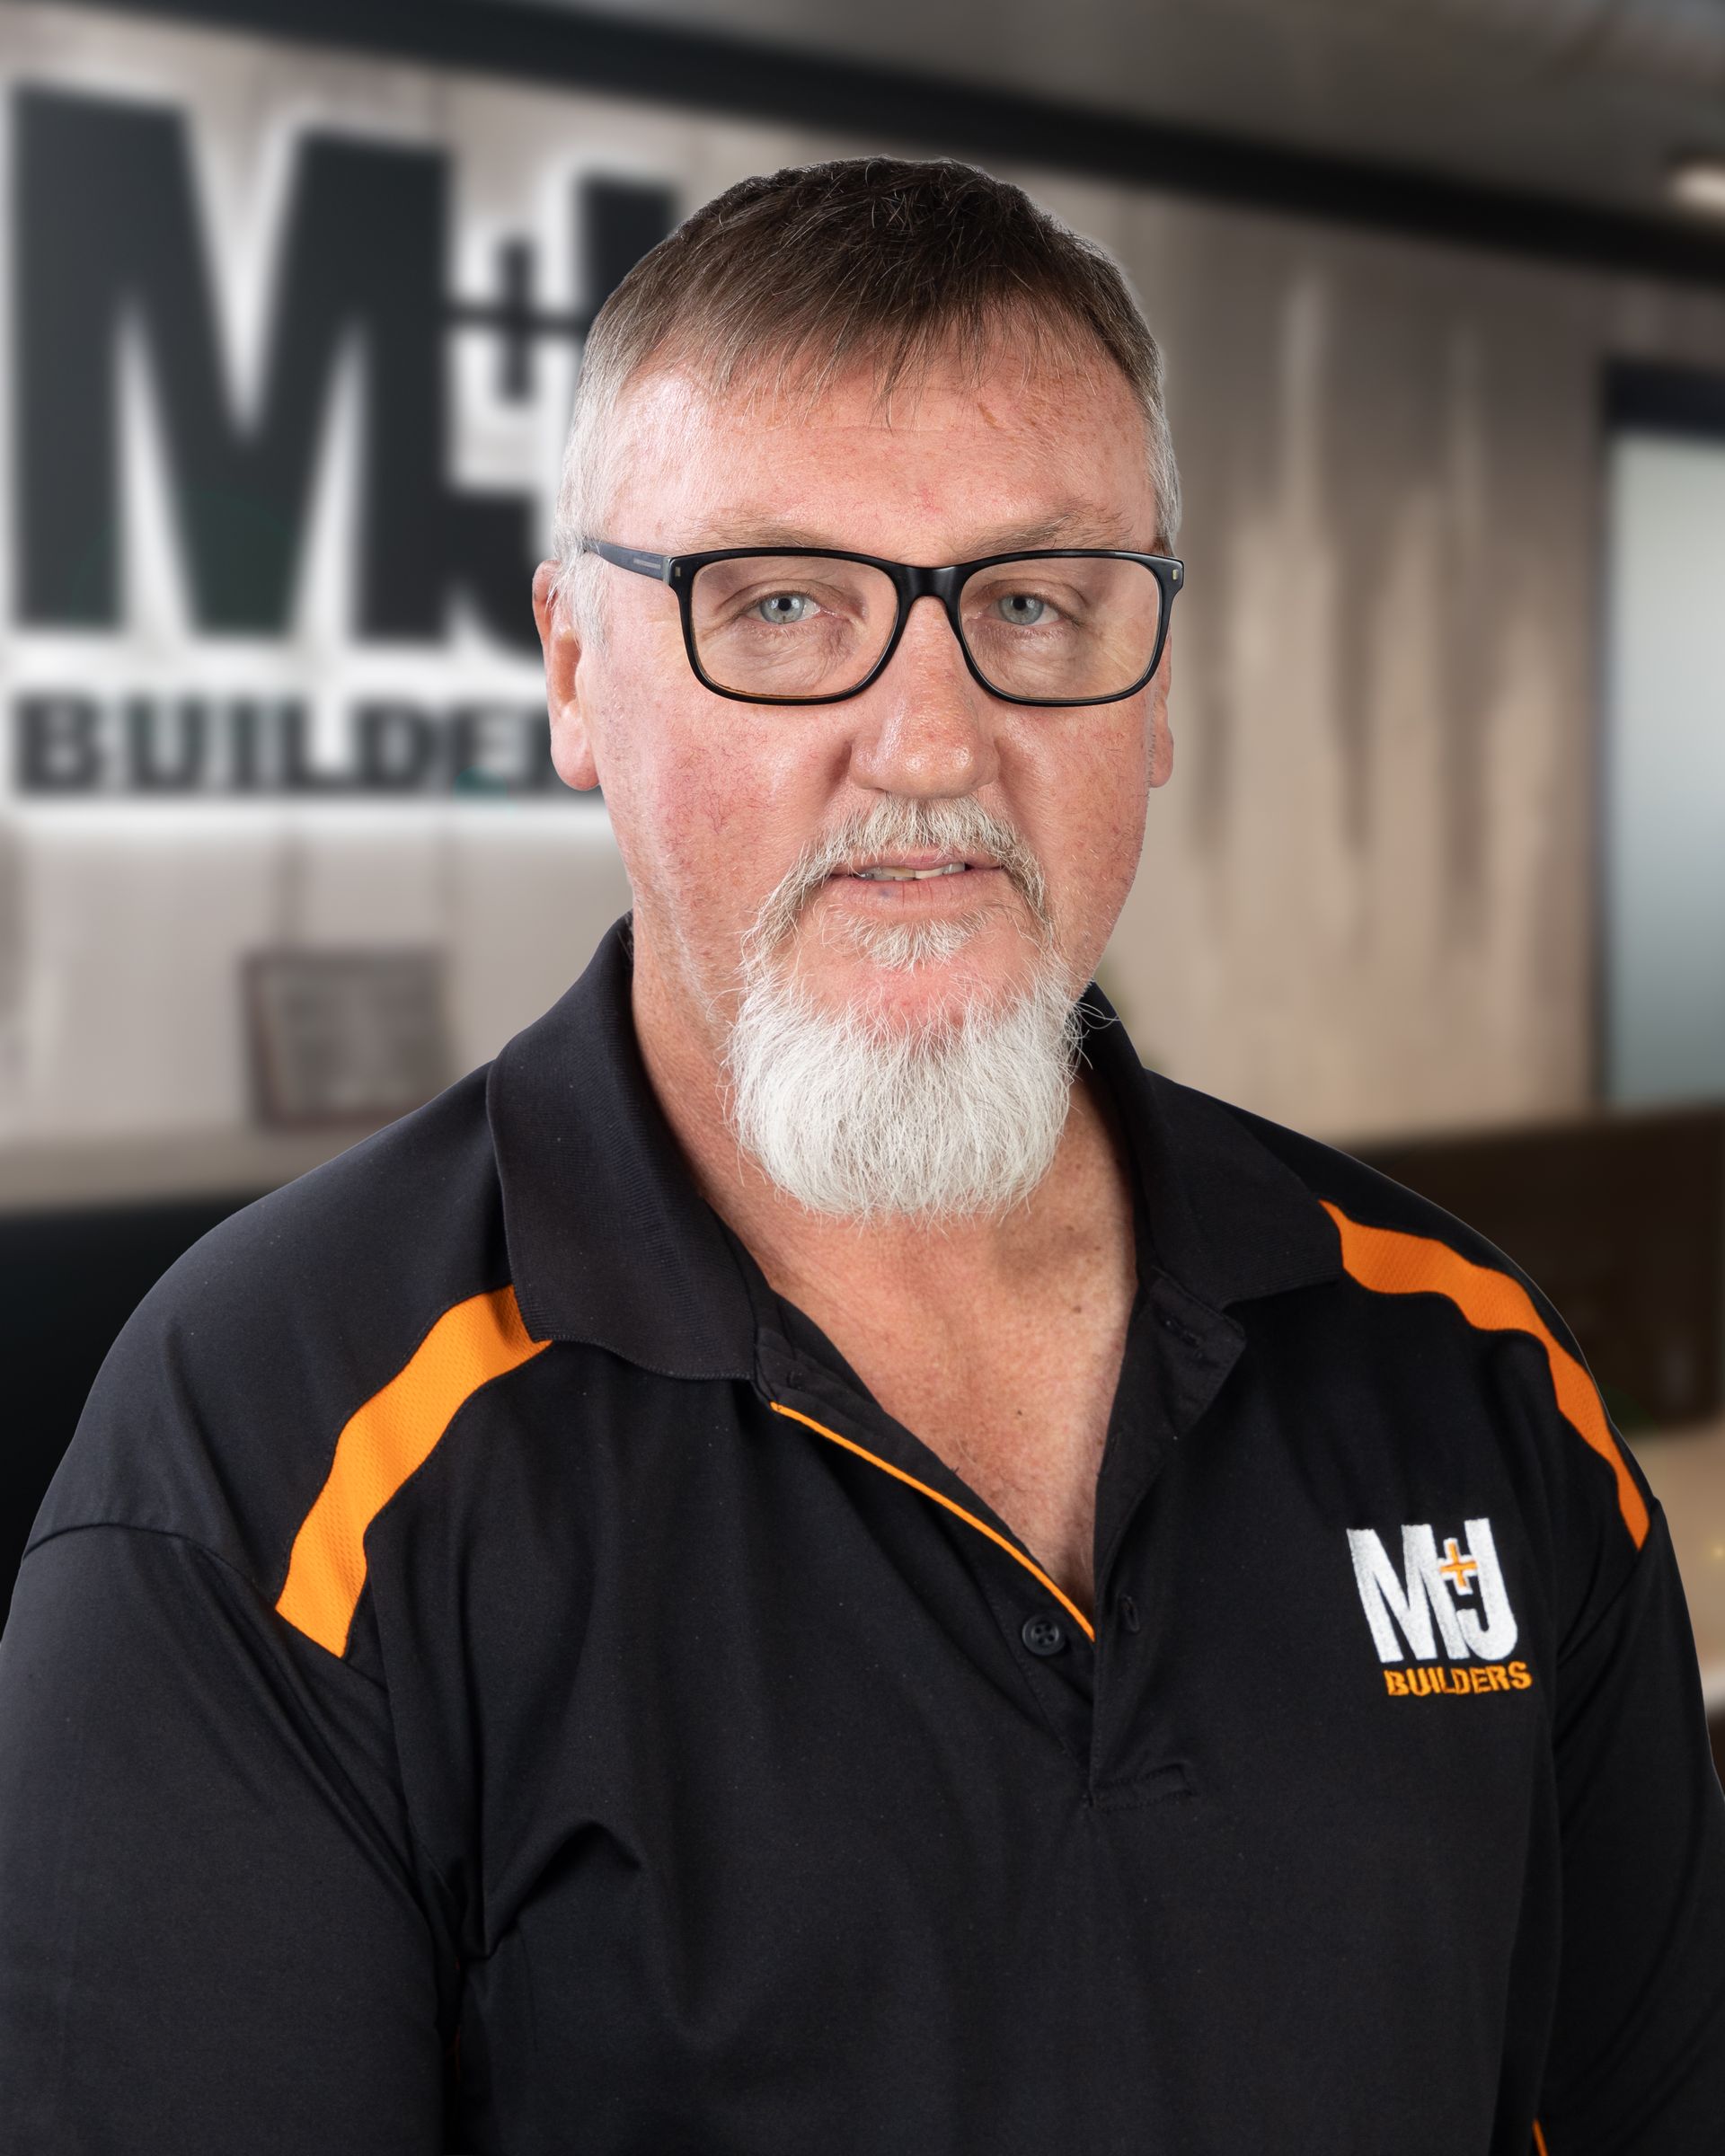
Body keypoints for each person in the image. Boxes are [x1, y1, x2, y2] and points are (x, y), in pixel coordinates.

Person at [1, 155, 1721, 2156]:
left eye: (1036, 602)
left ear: (1153, 683)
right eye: (787, 604)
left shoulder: (1473, 1375)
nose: (927, 739)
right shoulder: (271, 1449)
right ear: (574, 672)